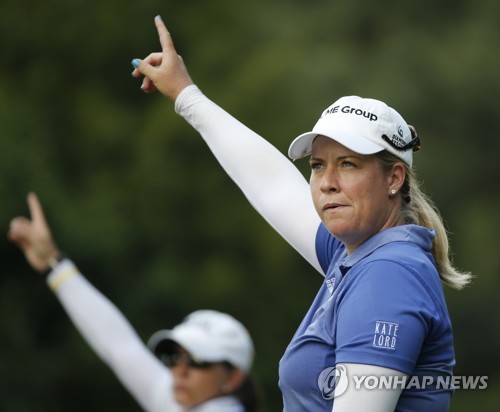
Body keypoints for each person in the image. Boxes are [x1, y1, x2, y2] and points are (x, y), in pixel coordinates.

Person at [130, 15, 472, 412]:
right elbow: (272, 185)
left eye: (348, 164)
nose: (327, 182)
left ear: (394, 177)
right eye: (317, 166)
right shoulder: (358, 257)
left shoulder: (388, 272)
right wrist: (186, 96)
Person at [8, 193, 260, 412]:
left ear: (233, 377)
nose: (180, 371)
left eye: (197, 361)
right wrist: (53, 264)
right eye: (174, 357)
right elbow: (119, 344)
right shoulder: (178, 402)